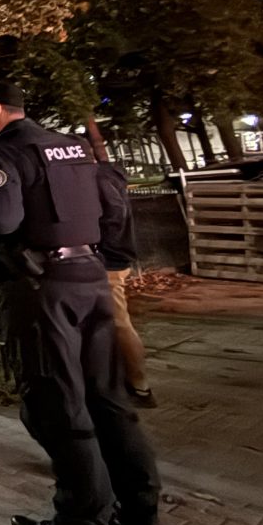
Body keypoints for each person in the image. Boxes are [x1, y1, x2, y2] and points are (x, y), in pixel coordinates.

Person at [0, 83, 160, 525]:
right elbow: (113, 204)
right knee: (108, 398)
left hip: (41, 289)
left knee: (57, 405)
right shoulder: (72, 147)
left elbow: (1, 220)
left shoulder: (4, 152)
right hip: (90, 278)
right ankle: (139, 513)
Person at [97, 161, 155, 407]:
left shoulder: (97, 179)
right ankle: (129, 382)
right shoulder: (109, 174)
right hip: (117, 257)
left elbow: (112, 214)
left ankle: (140, 387)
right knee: (114, 322)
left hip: (109, 259)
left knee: (119, 323)